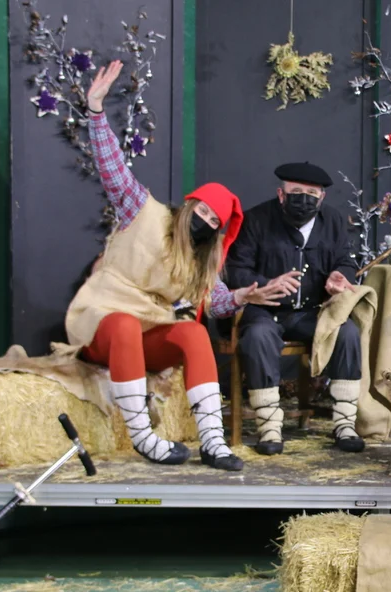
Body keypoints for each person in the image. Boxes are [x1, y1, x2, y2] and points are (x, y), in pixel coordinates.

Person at [65, 60, 284, 471]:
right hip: (104, 321)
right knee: (124, 324)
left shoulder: (201, 259)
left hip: (147, 332)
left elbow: (215, 302)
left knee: (192, 332)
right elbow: (112, 169)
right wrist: (95, 111)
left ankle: (213, 442)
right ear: (190, 204)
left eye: (214, 221)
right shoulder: (142, 210)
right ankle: (143, 438)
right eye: (202, 210)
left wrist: (243, 295)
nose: (205, 220)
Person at [224, 163, 364, 456]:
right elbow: (235, 269)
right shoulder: (256, 220)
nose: (304, 198)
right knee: (258, 336)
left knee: (347, 332)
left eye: (311, 194)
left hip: (312, 312)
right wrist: (265, 284)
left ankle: (344, 423)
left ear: (322, 197)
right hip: (266, 310)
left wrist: (340, 276)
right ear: (281, 194)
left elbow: (346, 261)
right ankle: (269, 426)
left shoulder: (333, 221)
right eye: (296, 191)